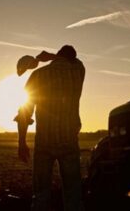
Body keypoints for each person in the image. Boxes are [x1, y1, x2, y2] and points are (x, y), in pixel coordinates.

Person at [15, 45, 85, 211]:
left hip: (44, 143)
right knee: (73, 194)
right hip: (69, 142)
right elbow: (76, 62)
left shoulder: (38, 74)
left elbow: (24, 112)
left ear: (59, 55)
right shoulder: (78, 72)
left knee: (41, 194)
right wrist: (51, 56)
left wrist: (21, 142)